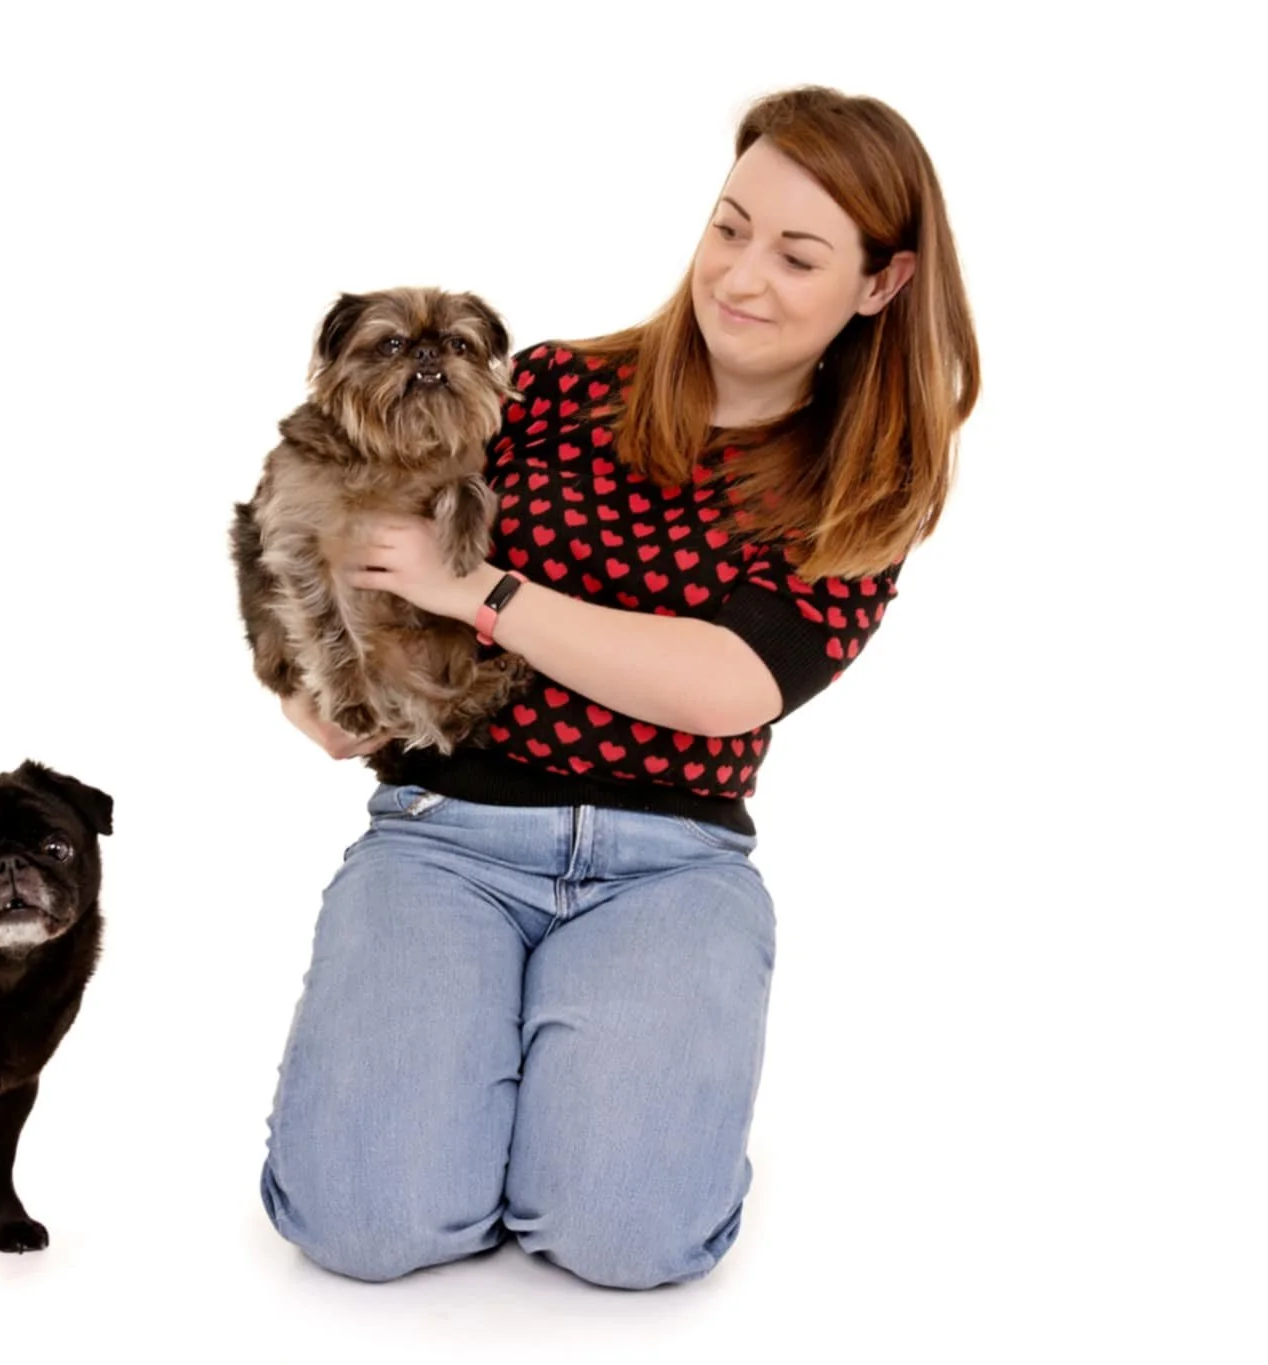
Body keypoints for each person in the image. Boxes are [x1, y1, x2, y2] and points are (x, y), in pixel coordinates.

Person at [258, 85, 980, 1290]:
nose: (740, 276)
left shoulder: (868, 491)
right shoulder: (540, 387)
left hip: (671, 867)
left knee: (626, 1244)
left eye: (796, 255)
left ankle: (574, 1096)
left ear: (880, 284)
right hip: (446, 839)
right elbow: (333, 504)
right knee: (363, 1228)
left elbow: (723, 687)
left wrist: (478, 593)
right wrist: (313, 673)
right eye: (727, 226)